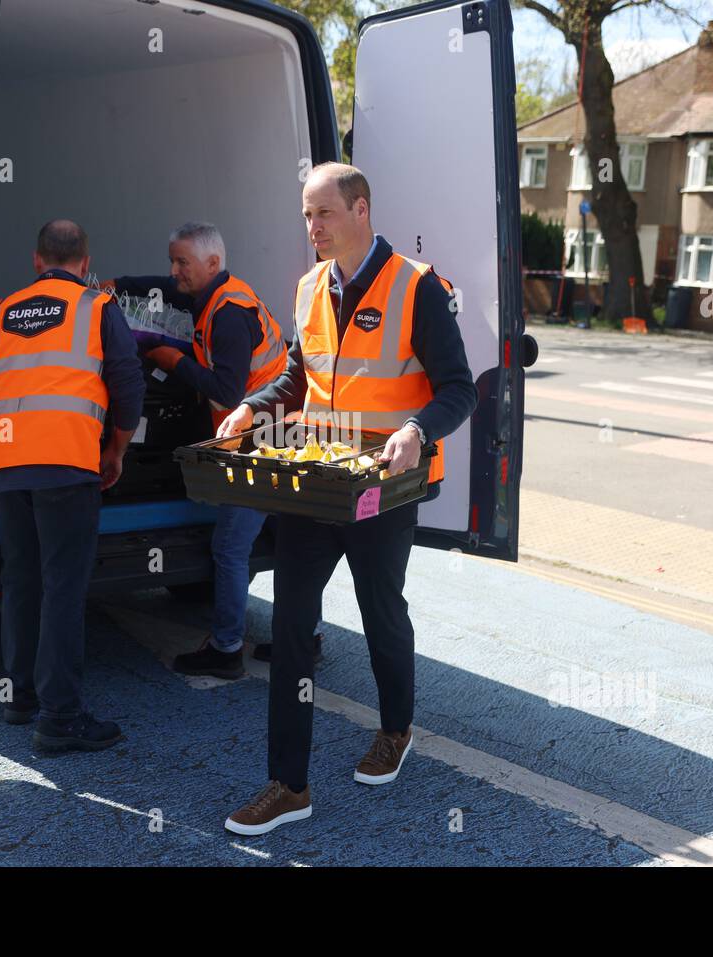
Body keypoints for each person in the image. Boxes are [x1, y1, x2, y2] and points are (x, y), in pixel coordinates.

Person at [217, 163, 477, 835]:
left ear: (361, 209)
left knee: (380, 608)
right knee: (292, 622)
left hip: (383, 487)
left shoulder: (416, 287)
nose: (312, 228)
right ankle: (288, 784)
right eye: (306, 215)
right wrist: (251, 408)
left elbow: (459, 388)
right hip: (318, 479)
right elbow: (296, 377)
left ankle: (395, 728)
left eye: (323, 214)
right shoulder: (309, 287)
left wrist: (419, 430)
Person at [0, 219, 144, 752]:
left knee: (21, 580)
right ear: (85, 260)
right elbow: (127, 382)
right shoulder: (97, 307)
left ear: (36, 260)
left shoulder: (1, 313)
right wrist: (116, 449)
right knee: (62, 588)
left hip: (6, 464)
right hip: (67, 463)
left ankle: (18, 696)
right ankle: (60, 718)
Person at [113, 222, 288, 680]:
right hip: (279, 435)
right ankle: (299, 638)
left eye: (181, 263)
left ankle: (226, 648)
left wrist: (172, 361)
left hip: (258, 443)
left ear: (212, 264)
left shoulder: (228, 315)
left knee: (230, 547)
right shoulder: (218, 293)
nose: (174, 272)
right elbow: (162, 289)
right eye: (172, 260)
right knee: (292, 539)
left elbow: (227, 391)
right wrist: (115, 286)